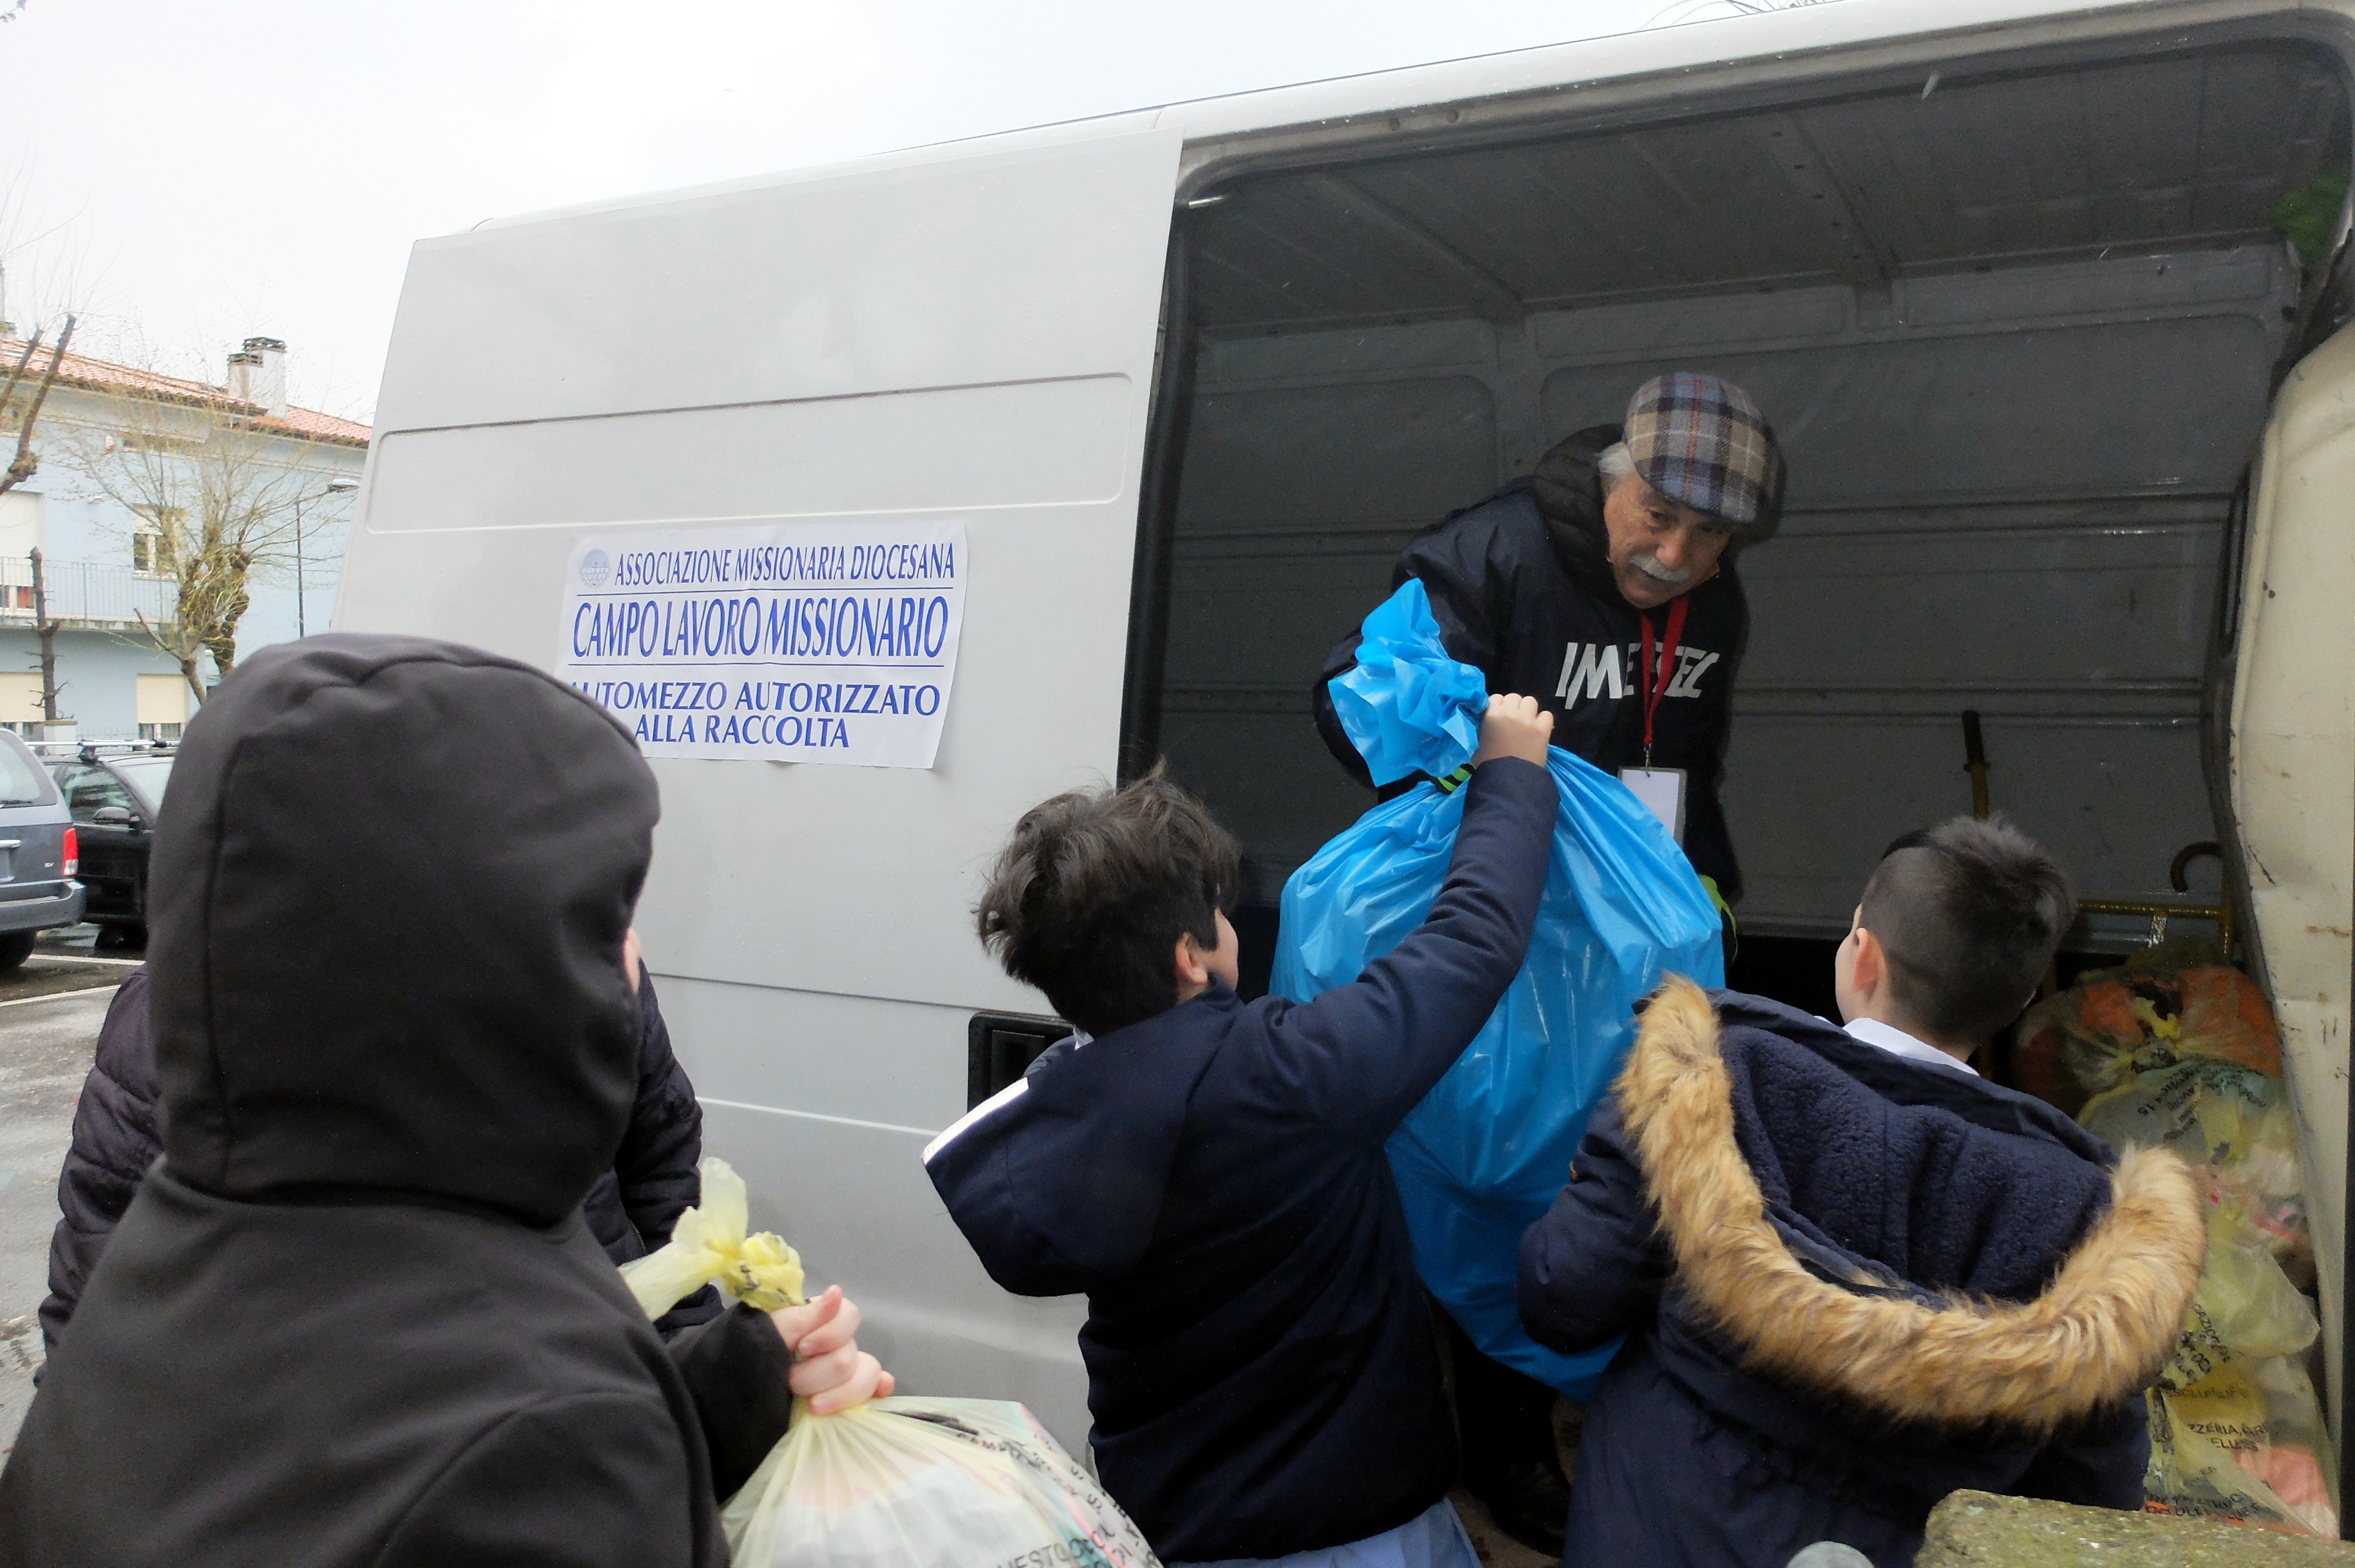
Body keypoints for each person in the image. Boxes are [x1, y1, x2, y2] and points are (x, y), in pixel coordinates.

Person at [0, 635, 890, 1567]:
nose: (631, 960)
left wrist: (706, 1401)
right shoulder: (540, 1429)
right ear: (483, 951)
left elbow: (346, 1472)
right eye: (601, 917)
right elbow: (478, 1465)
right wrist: (616, 1434)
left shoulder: (185, 1261)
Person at [1312, 371, 1787, 1547]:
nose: (1678, 555)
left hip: (1627, 947)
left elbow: (1688, 761)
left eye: (1709, 537)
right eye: (1659, 519)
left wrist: (1705, 911)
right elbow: (1352, 718)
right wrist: (1421, 716)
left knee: (1603, 1183)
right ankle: (1490, 1446)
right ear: (1614, 478)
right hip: (1500, 935)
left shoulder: (1713, 613)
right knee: (1487, 1181)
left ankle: (1565, 1414)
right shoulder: (1484, 558)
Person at [926, 697, 1560, 1567]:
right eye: (1221, 914)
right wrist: (1513, 771)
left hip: (1168, 1535)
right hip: (1355, 1537)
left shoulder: (1058, 1109)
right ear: (1192, 956)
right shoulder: (1292, 1075)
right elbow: (1474, 939)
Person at [1515, 816, 2208, 1567]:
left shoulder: (1705, 1084)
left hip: (1655, 1532)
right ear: (2016, 1004)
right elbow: (2090, 1495)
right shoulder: (2085, 1212)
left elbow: (1562, 1297)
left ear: (1861, 955)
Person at [39, 944, 719, 1354]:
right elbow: (103, 1276)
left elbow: (662, 1179)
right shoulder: (194, 998)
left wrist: (702, 1372)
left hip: (583, 1436)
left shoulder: (591, 960)